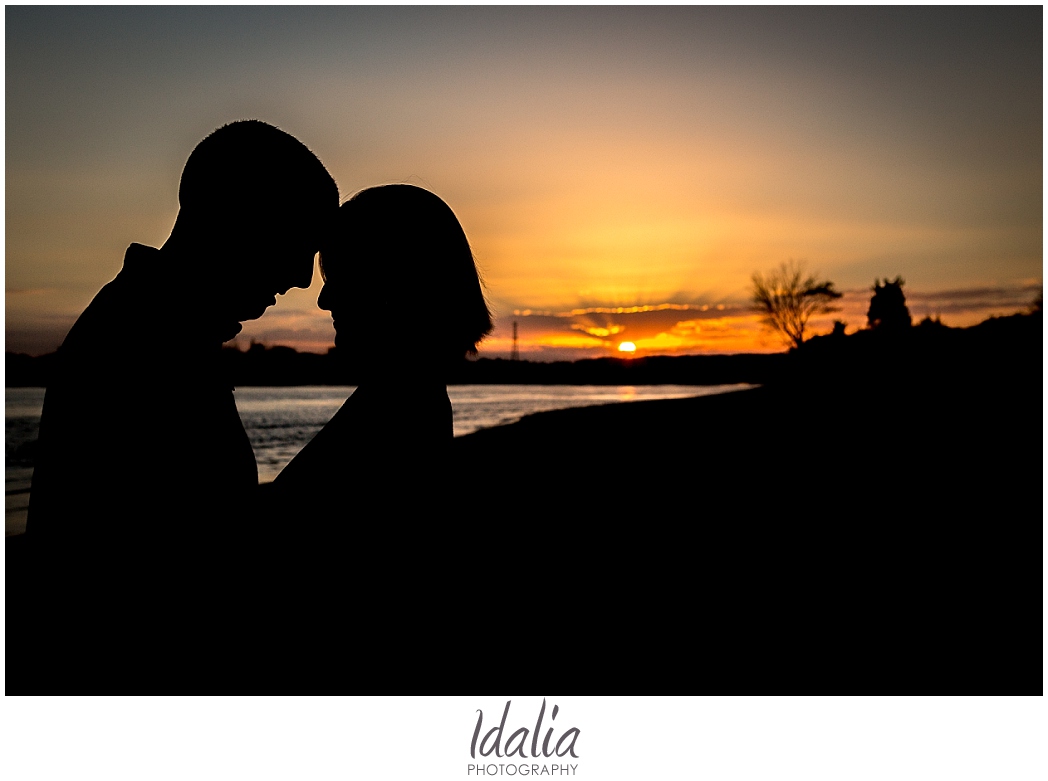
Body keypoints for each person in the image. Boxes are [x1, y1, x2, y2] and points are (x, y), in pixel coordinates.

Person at [26, 120, 339, 569]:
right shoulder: (143, 346)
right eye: (298, 243)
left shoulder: (163, 328)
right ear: (239, 219)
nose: (302, 278)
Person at [269, 184, 493, 526]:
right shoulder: (407, 401)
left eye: (341, 276)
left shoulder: (397, 412)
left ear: (392, 283)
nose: (324, 300)